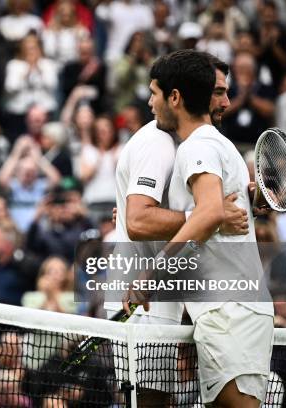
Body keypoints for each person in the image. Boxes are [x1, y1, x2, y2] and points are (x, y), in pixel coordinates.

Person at [108, 53, 252, 406]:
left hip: (169, 297)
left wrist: (240, 203)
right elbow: (139, 220)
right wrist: (211, 214)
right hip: (141, 301)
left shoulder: (194, 144)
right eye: (217, 91)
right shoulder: (158, 143)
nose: (224, 102)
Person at [140, 49, 274, 408]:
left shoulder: (198, 144)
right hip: (230, 310)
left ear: (175, 98)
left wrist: (153, 273)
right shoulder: (215, 144)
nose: (151, 102)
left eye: (155, 93)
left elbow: (210, 212)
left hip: (230, 311)